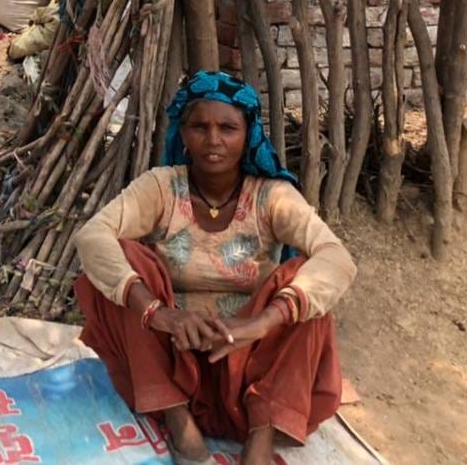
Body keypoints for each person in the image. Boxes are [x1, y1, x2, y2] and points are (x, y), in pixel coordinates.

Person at [73, 71, 357, 464]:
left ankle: (261, 435)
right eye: (199, 127)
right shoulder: (162, 187)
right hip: (173, 360)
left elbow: (336, 257)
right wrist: (159, 314)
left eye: (228, 127)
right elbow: (92, 236)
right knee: (119, 261)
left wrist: (260, 323)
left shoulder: (271, 196)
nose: (213, 140)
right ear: (183, 134)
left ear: (248, 134)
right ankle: (178, 421)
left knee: (305, 287)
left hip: (248, 372)